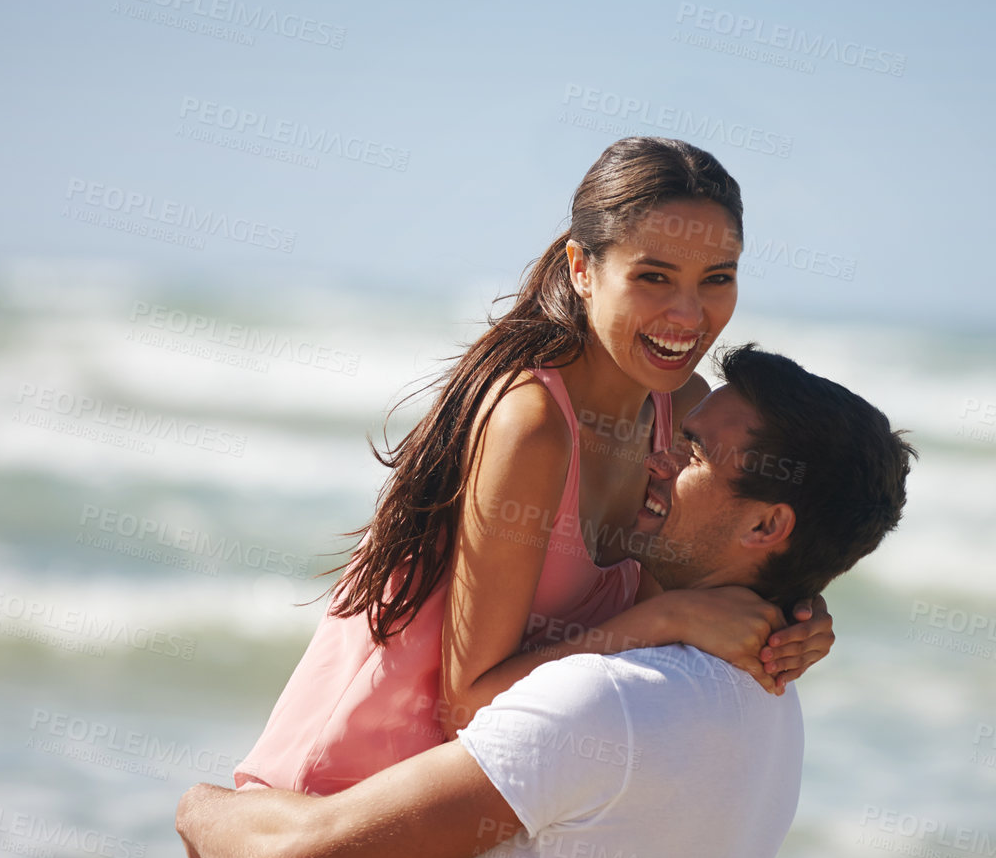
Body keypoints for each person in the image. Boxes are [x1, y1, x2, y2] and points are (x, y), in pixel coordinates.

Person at [178, 344, 917, 858]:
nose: (657, 457)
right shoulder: (774, 708)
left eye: (691, 453)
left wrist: (199, 810)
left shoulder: (608, 700)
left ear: (766, 524)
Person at [232, 139, 838, 806]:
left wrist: (794, 614)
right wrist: (670, 619)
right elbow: (470, 705)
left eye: (717, 279)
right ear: (582, 267)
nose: (690, 316)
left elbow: (719, 555)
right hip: (337, 806)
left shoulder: (684, 408)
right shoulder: (534, 425)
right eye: (653, 277)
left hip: (454, 821)